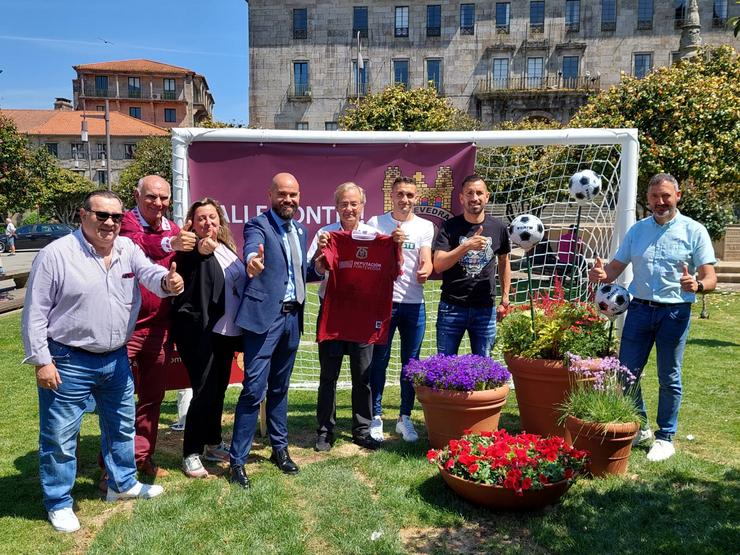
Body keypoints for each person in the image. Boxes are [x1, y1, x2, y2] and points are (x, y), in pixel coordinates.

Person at [21, 190, 185, 533]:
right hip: (67, 359)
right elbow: (35, 313)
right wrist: (42, 361)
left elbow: (149, 275)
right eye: (101, 215)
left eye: (115, 217)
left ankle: (122, 484)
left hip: (115, 358)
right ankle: (59, 501)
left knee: (121, 425)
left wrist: (168, 283)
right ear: (83, 216)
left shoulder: (127, 248)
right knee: (60, 436)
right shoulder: (56, 255)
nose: (109, 223)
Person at [588, 173, 716, 462]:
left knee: (668, 375)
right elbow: (614, 269)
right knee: (626, 372)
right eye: (655, 197)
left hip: (674, 312)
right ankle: (641, 425)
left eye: (666, 196)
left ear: (677, 196)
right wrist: (601, 274)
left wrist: (697, 285)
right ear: (648, 199)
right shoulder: (637, 231)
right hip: (639, 310)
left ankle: (666, 436)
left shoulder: (694, 231)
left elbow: (711, 278)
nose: (661, 202)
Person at [229, 173, 308, 489]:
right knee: (253, 391)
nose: (288, 199)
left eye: (293, 194)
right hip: (264, 320)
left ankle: (280, 449)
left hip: (292, 319)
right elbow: (252, 250)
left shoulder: (300, 230)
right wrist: (252, 262)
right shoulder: (258, 225)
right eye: (283, 194)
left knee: (280, 388)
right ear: (271, 194)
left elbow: (296, 273)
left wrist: (320, 265)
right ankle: (238, 461)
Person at [308, 182, 397, 452]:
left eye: (354, 203)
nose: (349, 208)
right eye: (344, 203)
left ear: (362, 206)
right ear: (336, 207)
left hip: (363, 315)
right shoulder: (326, 234)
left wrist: (397, 246)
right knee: (328, 376)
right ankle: (325, 431)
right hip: (333, 312)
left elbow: (392, 269)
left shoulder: (376, 236)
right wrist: (320, 255)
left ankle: (362, 430)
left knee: (362, 377)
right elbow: (315, 269)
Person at [119, 175, 197, 479]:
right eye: (152, 197)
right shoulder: (125, 222)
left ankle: (142, 457)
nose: (159, 203)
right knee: (120, 401)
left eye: (164, 198)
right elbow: (138, 243)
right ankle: (111, 467)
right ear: (137, 195)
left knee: (152, 399)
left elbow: (186, 259)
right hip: (126, 328)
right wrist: (171, 243)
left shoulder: (174, 228)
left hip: (160, 328)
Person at [171, 198, 246, 478]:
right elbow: (190, 267)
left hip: (228, 333)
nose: (208, 223)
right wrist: (201, 252)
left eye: (212, 217)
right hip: (201, 333)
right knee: (202, 393)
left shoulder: (226, 248)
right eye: (201, 218)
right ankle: (190, 452)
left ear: (220, 220)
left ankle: (212, 443)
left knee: (219, 391)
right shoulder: (191, 248)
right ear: (192, 222)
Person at [366, 176, 434, 443]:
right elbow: (370, 260)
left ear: (416, 198)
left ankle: (405, 418)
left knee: (411, 363)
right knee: (379, 361)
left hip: (414, 304)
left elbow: (426, 261)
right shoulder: (376, 223)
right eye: (400, 194)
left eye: (410, 195)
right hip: (384, 305)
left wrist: (425, 270)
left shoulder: (425, 226)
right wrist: (390, 244)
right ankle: (376, 416)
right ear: (391, 196)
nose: (405, 200)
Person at [432, 175, 512, 356]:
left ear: (487, 197)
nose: (474, 197)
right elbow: (438, 264)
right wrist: (466, 246)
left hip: (485, 308)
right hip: (451, 307)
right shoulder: (449, 227)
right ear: (461, 198)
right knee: (445, 366)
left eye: (479, 193)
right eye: (469, 193)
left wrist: (505, 297)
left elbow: (504, 262)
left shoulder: (498, 227)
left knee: (483, 367)